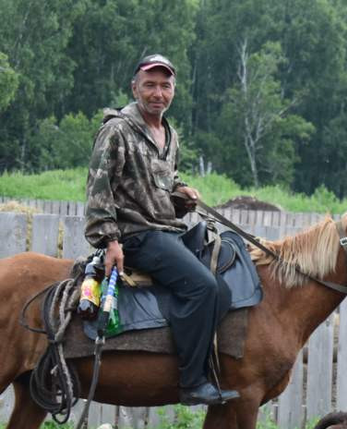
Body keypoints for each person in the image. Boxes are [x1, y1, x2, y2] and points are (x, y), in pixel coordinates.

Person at [84, 53, 238, 406]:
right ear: (134, 87)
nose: (158, 93)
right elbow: (98, 188)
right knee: (201, 287)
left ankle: (185, 362)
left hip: (166, 230)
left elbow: (166, 181)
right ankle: (190, 382)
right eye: (150, 85)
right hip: (136, 235)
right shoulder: (117, 130)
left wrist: (182, 193)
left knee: (223, 290)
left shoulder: (169, 133)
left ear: (174, 90)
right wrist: (110, 241)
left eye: (165, 86)